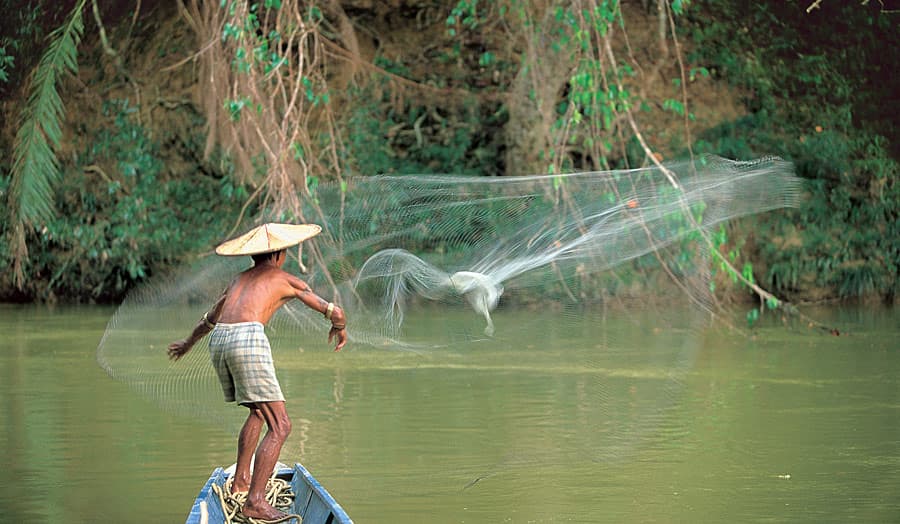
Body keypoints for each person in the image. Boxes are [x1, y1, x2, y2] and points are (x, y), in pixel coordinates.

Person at [167, 223, 347, 522]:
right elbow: (335, 311)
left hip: (219, 340)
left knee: (259, 412)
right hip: (246, 339)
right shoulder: (285, 278)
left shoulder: (238, 280)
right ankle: (255, 501)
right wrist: (339, 326)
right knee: (281, 425)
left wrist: (187, 344)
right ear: (278, 255)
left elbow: (210, 319)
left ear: (255, 256)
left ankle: (241, 481)